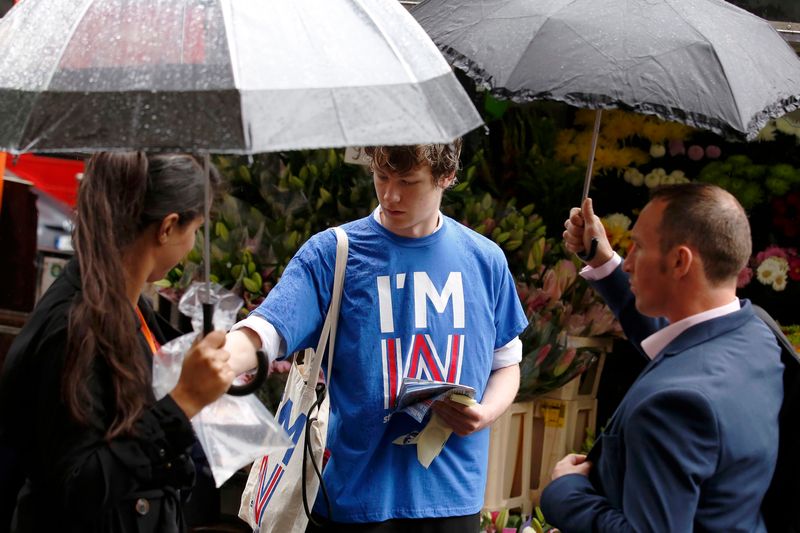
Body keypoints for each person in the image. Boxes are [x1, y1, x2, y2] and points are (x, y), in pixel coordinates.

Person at [225, 141, 528, 531]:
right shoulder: (333, 253)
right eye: (381, 176)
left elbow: (506, 362)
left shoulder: (485, 260)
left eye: (408, 181)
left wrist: (485, 414)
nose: (390, 194)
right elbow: (268, 329)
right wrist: (224, 358)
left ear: (447, 176)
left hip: (452, 496)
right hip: (354, 494)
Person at [0, 152, 236, 533]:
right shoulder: (73, 325)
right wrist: (183, 403)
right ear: (168, 227)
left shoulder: (127, 305)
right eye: (195, 230)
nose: (193, 246)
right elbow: (78, 485)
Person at [541, 184, 784, 532]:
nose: (627, 264)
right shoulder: (755, 333)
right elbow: (677, 343)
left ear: (680, 260)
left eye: (638, 247)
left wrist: (565, 492)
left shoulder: (674, 404)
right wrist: (601, 259)